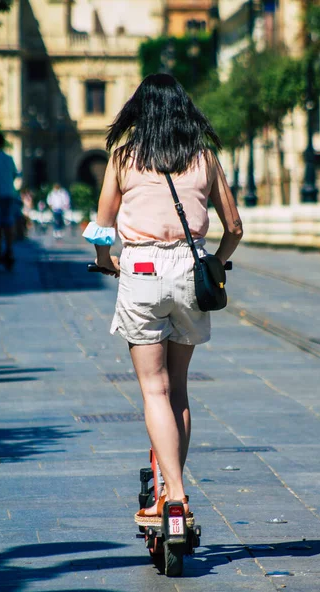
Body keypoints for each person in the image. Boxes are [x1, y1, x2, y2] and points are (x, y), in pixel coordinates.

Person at [82, 74, 243, 523]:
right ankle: (174, 490)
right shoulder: (204, 156)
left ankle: (172, 495)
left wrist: (106, 260)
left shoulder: (123, 157)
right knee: (179, 390)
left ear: (139, 110)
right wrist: (216, 261)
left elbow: (102, 227)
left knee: (154, 389)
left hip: (143, 270)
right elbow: (234, 228)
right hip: (191, 273)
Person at [0, 131, 18, 268]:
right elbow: (14, 174)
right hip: (9, 194)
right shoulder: (9, 158)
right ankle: (9, 248)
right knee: (8, 223)